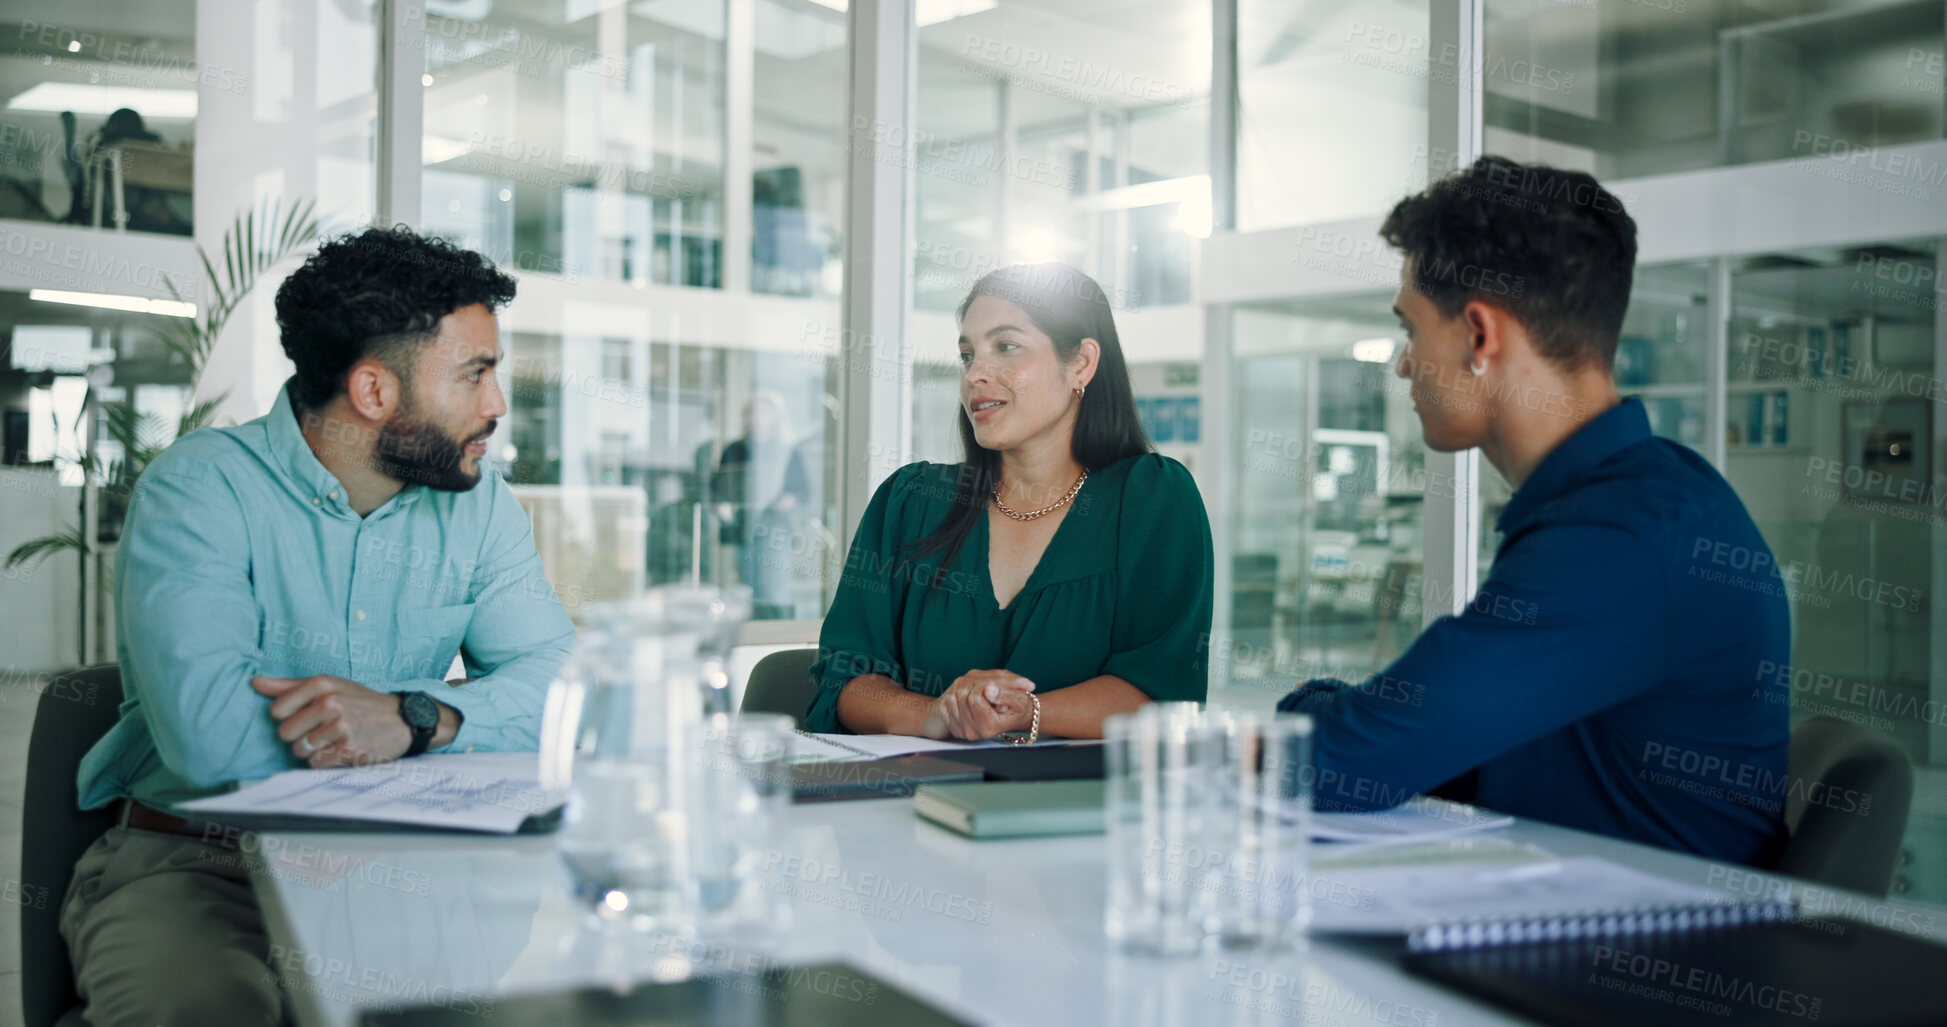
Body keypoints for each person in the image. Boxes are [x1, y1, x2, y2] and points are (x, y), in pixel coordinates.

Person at [61, 226, 577, 1025]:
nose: (496, 406)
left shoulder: (478, 506)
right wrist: (395, 733)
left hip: (398, 865)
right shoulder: (199, 491)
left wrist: (416, 717)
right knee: (209, 1008)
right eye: (475, 375)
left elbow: (563, 687)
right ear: (373, 392)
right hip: (195, 863)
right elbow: (208, 739)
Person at [1279, 156, 1790, 866]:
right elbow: (1454, 745)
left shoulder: (1614, 536)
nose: (1402, 365)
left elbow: (1334, 765)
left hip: (1655, 949)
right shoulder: (1653, 494)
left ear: (1479, 336)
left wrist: (1309, 705)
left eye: (1412, 329)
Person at [805, 262, 1213, 740]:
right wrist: (943, 713)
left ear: (1081, 363)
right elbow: (847, 682)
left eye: (1006, 347)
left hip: (1088, 806)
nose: (976, 374)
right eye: (966, 355)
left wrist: (1025, 711)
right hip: (911, 801)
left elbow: (1162, 693)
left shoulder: (1152, 500)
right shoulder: (910, 501)